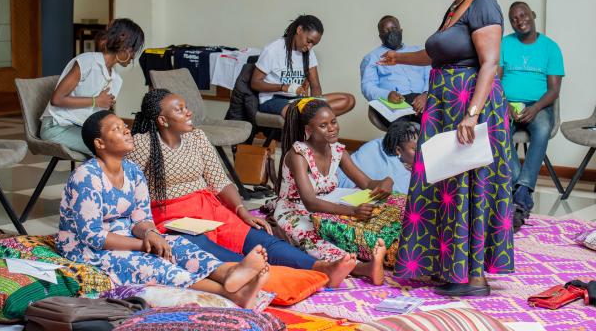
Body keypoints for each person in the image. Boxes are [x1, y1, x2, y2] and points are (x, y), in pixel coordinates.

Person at [380, 0, 513, 296]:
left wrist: (471, 115)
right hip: (445, 105)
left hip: (470, 106)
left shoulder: (484, 4)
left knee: (471, 185)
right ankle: (449, 266)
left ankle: (474, 277)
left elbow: (488, 64)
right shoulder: (458, 5)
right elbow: (439, 53)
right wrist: (399, 58)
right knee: (448, 185)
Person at [126, 89, 357, 288]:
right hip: (171, 217)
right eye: (180, 110)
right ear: (162, 120)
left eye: (186, 107)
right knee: (213, 250)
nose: (189, 112)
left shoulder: (197, 137)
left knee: (260, 239)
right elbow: (129, 191)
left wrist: (241, 210)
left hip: (209, 210)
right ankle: (259, 277)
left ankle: (321, 267)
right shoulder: (140, 145)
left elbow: (220, 180)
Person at [56, 110, 269, 309]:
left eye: (124, 126)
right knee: (151, 263)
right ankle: (230, 293)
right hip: (87, 249)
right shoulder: (86, 177)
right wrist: (143, 246)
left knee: (176, 244)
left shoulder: (133, 171)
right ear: (99, 143)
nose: (126, 130)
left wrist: (151, 234)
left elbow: (141, 218)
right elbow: (92, 236)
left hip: (125, 236)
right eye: (117, 129)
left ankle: (229, 272)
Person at [274, 98, 394, 285]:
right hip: (295, 208)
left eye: (333, 122)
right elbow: (310, 202)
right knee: (312, 237)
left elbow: (366, 182)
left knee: (384, 209)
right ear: (309, 130)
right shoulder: (298, 155)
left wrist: (387, 181)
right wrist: (352, 212)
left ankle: (388, 252)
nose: (332, 128)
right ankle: (364, 267)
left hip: (330, 202)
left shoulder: (338, 151)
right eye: (323, 125)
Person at [498, 1, 564, 218]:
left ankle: (522, 188)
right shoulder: (504, 44)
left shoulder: (550, 47)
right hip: (506, 103)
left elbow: (554, 90)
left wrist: (535, 108)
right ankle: (523, 190)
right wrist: (505, 104)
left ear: (533, 15)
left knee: (543, 128)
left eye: (523, 15)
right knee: (497, 131)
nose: (520, 20)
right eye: (514, 18)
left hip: (539, 106)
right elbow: (494, 81)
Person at [40, 19, 145, 155]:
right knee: (111, 149)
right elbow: (57, 99)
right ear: (123, 42)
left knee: (124, 146)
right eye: (133, 49)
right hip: (57, 126)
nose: (134, 55)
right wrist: (96, 101)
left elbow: (97, 116)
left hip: (82, 129)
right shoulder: (87, 62)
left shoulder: (116, 79)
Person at [251, 15, 355, 118]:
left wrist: (316, 105)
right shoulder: (273, 50)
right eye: (309, 41)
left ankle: (313, 119)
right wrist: (283, 87)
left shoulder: (309, 53)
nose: (310, 47)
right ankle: (312, 124)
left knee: (348, 100)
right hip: (273, 100)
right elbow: (255, 83)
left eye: (313, 44)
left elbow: (315, 86)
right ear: (299, 30)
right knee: (304, 113)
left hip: (297, 100)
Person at [361, 16, 430, 125]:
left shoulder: (417, 53)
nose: (391, 33)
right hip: (393, 103)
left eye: (394, 29)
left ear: (401, 31)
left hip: (422, 99)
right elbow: (367, 87)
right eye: (386, 31)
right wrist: (387, 95)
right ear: (380, 36)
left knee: (435, 124)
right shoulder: (372, 58)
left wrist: (426, 94)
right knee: (403, 133)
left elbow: (430, 77)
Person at [337, 121, 419, 194]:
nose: (421, 152)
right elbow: (405, 196)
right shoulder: (397, 171)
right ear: (398, 150)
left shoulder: (385, 141)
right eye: (415, 149)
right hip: (343, 187)